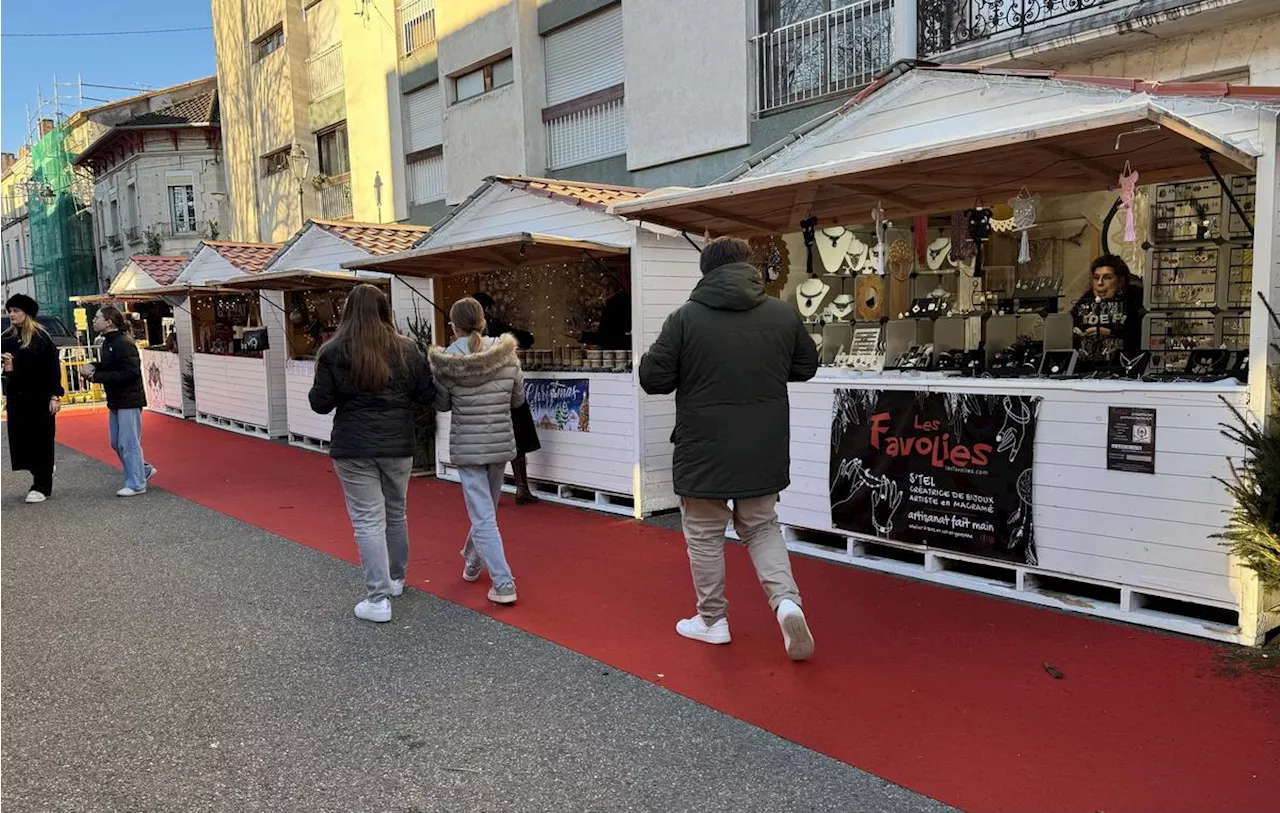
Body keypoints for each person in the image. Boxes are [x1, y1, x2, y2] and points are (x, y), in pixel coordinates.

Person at [639, 236, 820, 661]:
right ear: (748, 267)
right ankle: (787, 603)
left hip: (703, 446)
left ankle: (712, 620)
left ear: (706, 272)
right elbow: (806, 366)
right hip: (763, 443)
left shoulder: (684, 319)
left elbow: (654, 378)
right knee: (761, 526)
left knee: (704, 534)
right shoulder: (781, 314)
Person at [309, 284, 436, 623]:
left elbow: (319, 403)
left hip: (353, 445)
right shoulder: (408, 349)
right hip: (397, 444)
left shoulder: (333, 351)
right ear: (385, 310)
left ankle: (377, 597)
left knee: (367, 518)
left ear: (348, 311)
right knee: (396, 512)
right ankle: (395, 579)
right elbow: (426, 395)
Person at [430, 297, 523, 605]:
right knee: (487, 512)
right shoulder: (507, 355)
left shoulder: (445, 361)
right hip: (499, 444)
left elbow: (441, 403)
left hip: (468, 447)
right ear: (484, 321)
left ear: (453, 326)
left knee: (483, 515)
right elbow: (517, 399)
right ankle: (472, 561)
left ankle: (504, 582)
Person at [473, 291, 541, 505]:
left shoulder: (466, 338)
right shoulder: (498, 329)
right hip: (505, 393)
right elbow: (523, 340)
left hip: (482, 396)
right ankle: (521, 487)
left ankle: (488, 491)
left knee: (489, 443)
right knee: (516, 439)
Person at [82, 306, 155, 497]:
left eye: (97, 317)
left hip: (129, 399)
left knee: (128, 442)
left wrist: (97, 376)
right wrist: (94, 366)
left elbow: (130, 373)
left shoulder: (123, 343)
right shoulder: (109, 342)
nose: (93, 321)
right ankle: (143, 470)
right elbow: (110, 366)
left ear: (109, 322)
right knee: (116, 442)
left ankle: (137, 483)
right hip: (117, 399)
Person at [0, 294, 63, 503]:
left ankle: (42, 485)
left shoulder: (41, 337)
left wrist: (55, 395)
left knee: (41, 439)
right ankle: (42, 469)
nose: (11, 315)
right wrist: (7, 368)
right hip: (17, 397)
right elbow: (6, 372)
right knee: (22, 440)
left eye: (16, 310)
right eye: (10, 311)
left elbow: (53, 368)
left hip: (39, 396)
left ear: (27, 313)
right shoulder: (6, 338)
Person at [1071, 255, 1145, 369]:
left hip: (1125, 367)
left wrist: (1110, 333)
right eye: (1096, 278)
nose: (1100, 283)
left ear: (1121, 281)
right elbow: (1070, 325)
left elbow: (1140, 335)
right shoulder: (1086, 300)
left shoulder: (1135, 300)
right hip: (1086, 369)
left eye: (1107, 277)